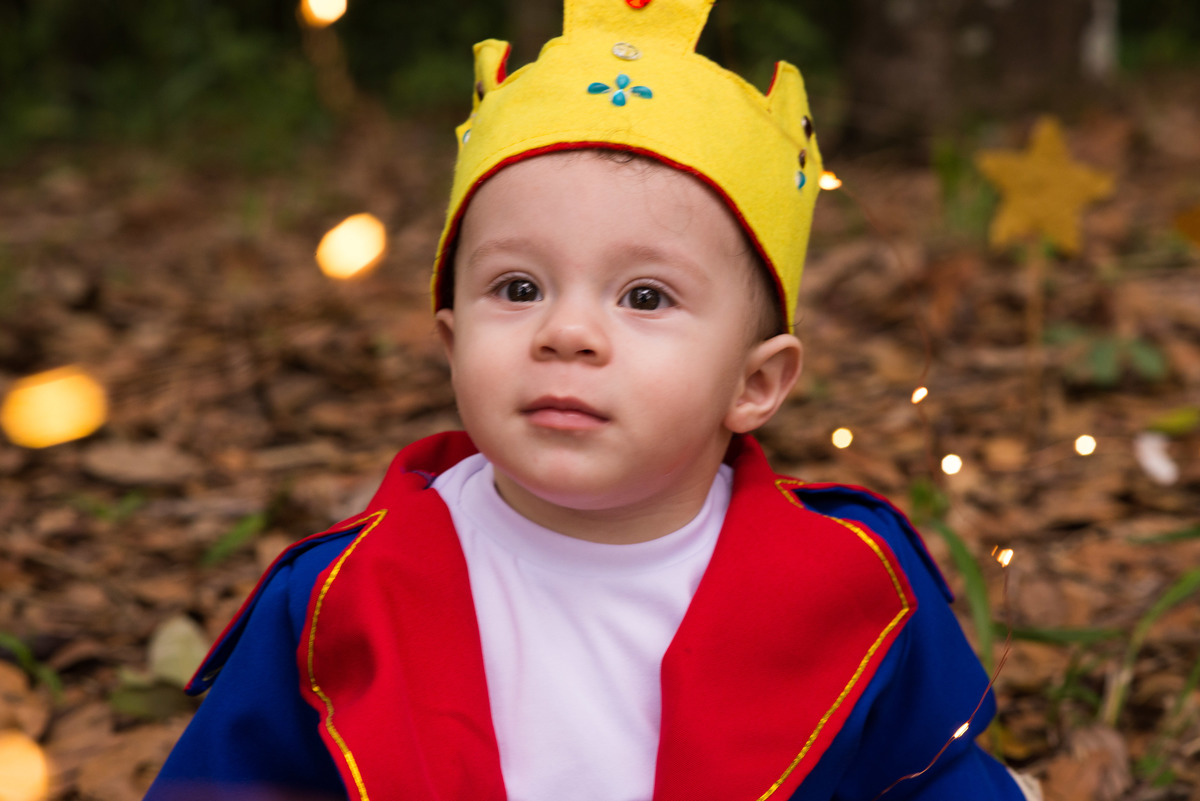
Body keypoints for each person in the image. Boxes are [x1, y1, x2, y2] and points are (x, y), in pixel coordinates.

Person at [146, 1, 1033, 799]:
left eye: (645, 297)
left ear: (754, 384)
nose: (566, 332)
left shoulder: (847, 584)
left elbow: (932, 782)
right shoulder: (345, 595)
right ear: (453, 344)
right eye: (518, 288)